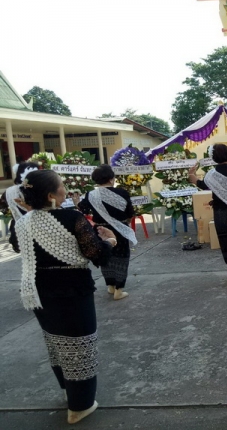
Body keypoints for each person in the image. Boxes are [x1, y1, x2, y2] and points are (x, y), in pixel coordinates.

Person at [12, 170, 116, 424]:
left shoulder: (22, 222)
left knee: (56, 341)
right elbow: (96, 254)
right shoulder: (72, 218)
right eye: (62, 185)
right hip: (71, 290)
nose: (65, 189)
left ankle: (68, 389)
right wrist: (110, 241)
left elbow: (17, 246)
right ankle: (80, 406)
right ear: (51, 195)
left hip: (39, 291)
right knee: (79, 346)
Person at [188, 144, 227, 289]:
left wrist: (192, 175)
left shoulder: (211, 174)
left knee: (226, 239)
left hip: (220, 212)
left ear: (213, 158)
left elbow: (201, 184)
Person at [74, 164, 136, 300]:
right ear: (111, 179)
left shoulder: (91, 195)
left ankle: (111, 286)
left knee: (106, 256)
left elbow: (84, 209)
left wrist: (77, 202)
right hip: (119, 229)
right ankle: (119, 290)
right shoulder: (122, 193)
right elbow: (130, 212)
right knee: (121, 257)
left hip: (101, 230)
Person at [0, 161, 38, 249]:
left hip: (18, 228)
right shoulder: (42, 190)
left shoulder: (9, 192)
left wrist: (13, 212)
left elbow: (3, 207)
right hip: (41, 228)